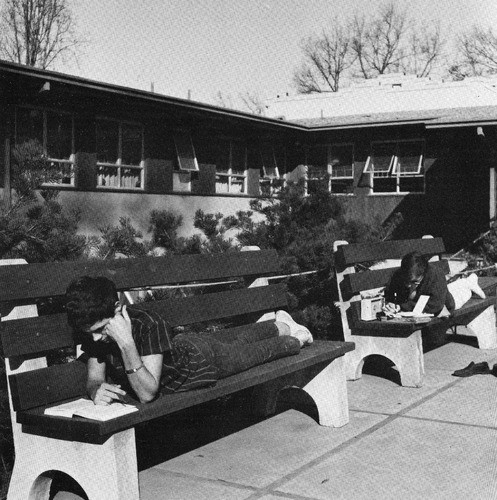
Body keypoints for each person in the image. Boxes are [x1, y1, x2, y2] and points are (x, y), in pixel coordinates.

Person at [65, 276, 313, 405]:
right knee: (239, 345)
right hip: (188, 348)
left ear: (118, 309)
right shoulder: (96, 331)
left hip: (201, 363)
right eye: (90, 334)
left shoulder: (147, 325)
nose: (96, 339)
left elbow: (147, 393)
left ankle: (295, 336)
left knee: (255, 355)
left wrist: (126, 343)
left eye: (100, 329)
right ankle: (280, 323)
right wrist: (95, 389)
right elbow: (95, 378)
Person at [383, 251, 486, 318]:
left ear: (423, 274)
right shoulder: (398, 274)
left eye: (414, 282)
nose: (409, 285)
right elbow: (389, 294)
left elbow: (435, 306)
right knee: (450, 287)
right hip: (433, 294)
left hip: (447, 302)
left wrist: (402, 307)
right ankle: (467, 281)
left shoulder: (435, 274)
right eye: (406, 281)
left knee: (463, 293)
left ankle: (470, 281)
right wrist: (391, 304)